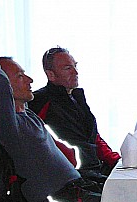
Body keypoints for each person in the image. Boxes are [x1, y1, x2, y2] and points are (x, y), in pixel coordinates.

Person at [0, 55, 102, 202]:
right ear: (4, 85)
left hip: (76, 191)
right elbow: (0, 92)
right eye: (20, 76)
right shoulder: (6, 127)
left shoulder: (28, 117)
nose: (30, 80)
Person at [29, 46, 120, 183]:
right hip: (72, 178)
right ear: (51, 75)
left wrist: (115, 161)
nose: (76, 72)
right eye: (68, 68)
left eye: (75, 66)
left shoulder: (76, 97)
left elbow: (93, 137)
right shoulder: (39, 102)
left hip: (95, 169)